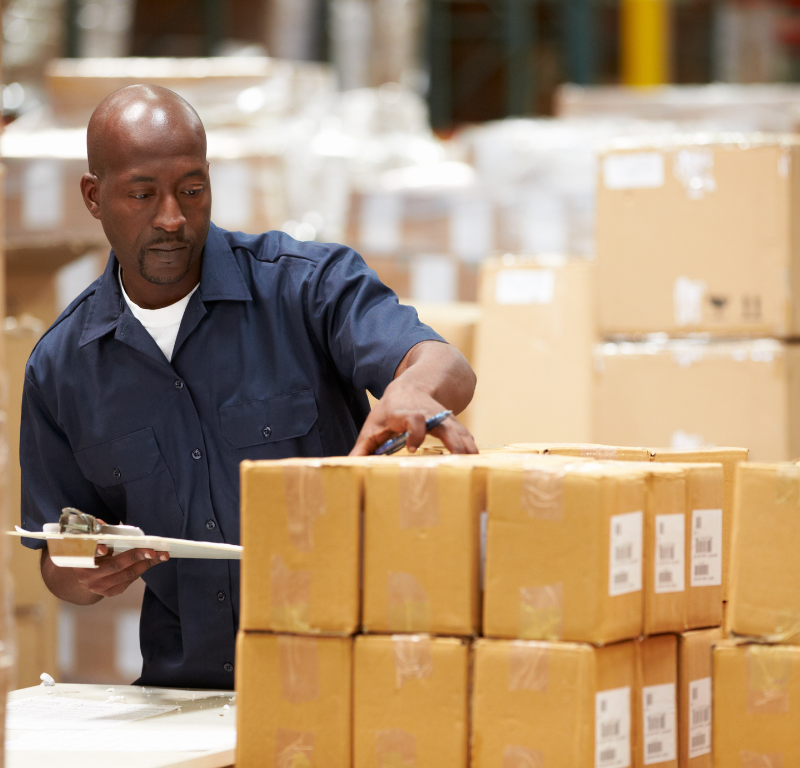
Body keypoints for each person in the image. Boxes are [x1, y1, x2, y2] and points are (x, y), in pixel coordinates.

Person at [19, 85, 477, 689]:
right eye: (141, 194)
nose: (172, 218)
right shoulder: (61, 368)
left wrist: (414, 389)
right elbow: (59, 563)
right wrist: (87, 571)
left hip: (342, 677)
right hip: (188, 693)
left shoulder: (306, 288)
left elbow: (445, 364)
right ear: (93, 196)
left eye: (192, 189)